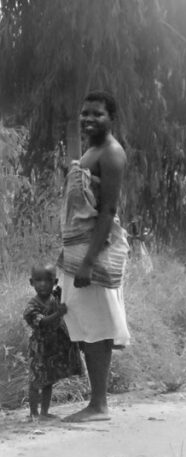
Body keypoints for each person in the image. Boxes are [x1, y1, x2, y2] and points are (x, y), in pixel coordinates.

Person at [57, 91, 131, 422]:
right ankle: (95, 401)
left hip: (94, 250)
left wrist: (88, 261)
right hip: (79, 247)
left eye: (97, 114)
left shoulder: (112, 153)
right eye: (85, 113)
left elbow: (108, 210)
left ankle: (99, 404)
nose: (88, 119)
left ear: (110, 118)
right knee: (85, 321)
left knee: (98, 325)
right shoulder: (91, 150)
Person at [22, 264, 82, 421]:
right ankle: (33, 413)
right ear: (31, 282)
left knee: (49, 380)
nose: (43, 284)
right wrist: (58, 314)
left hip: (53, 348)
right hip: (39, 349)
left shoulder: (55, 297)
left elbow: (69, 295)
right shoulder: (32, 306)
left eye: (48, 281)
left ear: (54, 282)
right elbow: (42, 323)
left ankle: (44, 412)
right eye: (38, 280)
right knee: (35, 381)